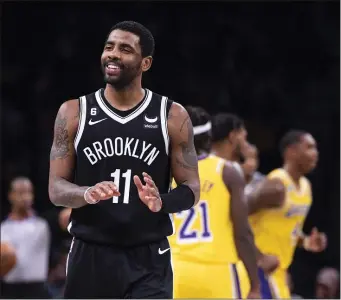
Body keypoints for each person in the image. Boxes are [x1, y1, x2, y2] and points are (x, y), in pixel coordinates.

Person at [48, 21, 200, 299]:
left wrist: (162, 202)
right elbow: (56, 188)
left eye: (125, 49)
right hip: (90, 253)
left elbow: (192, 188)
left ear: (145, 63)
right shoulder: (72, 112)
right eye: (109, 47)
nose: (113, 54)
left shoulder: (172, 116)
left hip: (149, 257)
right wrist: (86, 193)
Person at [169, 106, 260, 299]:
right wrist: (255, 284)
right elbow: (242, 233)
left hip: (175, 270)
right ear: (209, 138)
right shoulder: (226, 171)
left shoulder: (163, 173)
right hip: (217, 270)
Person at [247, 130, 327, 298]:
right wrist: (260, 257)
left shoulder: (306, 187)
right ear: (291, 151)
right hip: (256, 270)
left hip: (279, 272)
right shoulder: (276, 186)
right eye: (310, 147)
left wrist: (306, 242)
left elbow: (289, 230)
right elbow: (235, 218)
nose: (315, 153)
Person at [211, 113, 279, 275]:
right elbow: (234, 223)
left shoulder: (199, 166)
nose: (249, 145)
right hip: (221, 262)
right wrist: (260, 257)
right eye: (245, 137)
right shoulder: (226, 173)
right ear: (233, 137)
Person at [1, 177, 51, 299]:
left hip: (37, 290)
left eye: (29, 192)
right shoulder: (3, 227)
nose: (25, 197)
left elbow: (64, 219)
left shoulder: (43, 224)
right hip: (10, 290)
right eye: (21, 192)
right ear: (11, 195)